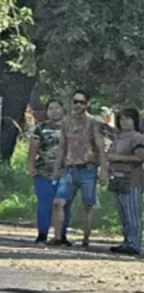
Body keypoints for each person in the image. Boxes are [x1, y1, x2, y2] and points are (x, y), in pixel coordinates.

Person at [51, 90, 108, 249]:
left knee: (88, 204)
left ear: (87, 104)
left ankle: (86, 239)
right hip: (69, 168)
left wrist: (103, 169)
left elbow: (100, 147)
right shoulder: (66, 122)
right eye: (75, 101)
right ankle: (58, 237)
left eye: (82, 102)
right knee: (58, 202)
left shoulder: (93, 122)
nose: (78, 105)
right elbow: (62, 146)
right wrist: (57, 167)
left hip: (88, 168)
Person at [26, 99, 70, 244]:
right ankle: (42, 233)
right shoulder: (41, 128)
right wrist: (31, 166)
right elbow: (34, 148)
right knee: (45, 204)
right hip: (44, 171)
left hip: (66, 172)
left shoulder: (70, 127)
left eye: (57, 108)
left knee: (63, 204)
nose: (54, 111)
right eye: (50, 108)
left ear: (63, 109)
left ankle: (61, 235)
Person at [106, 108, 144, 256]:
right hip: (117, 177)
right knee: (122, 212)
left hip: (132, 178)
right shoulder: (118, 138)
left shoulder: (138, 138)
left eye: (128, 118)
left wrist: (118, 157)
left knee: (132, 212)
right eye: (122, 119)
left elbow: (140, 158)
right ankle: (126, 241)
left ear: (135, 121)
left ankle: (135, 243)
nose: (124, 122)